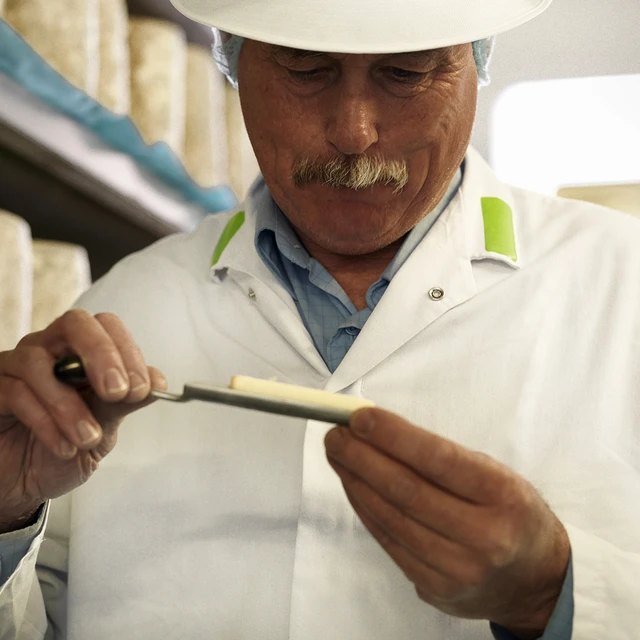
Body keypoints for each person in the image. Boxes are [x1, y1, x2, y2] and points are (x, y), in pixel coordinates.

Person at [0, 0, 639, 637]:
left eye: (407, 73)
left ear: (475, 60)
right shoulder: (127, 307)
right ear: (234, 59)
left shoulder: (621, 283)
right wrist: (6, 516)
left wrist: (554, 591)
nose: (354, 131)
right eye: (306, 70)